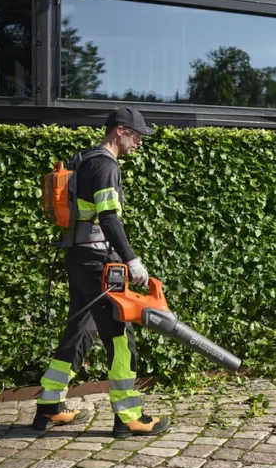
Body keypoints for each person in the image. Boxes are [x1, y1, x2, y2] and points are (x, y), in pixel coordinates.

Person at [32, 107, 171, 438]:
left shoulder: (85, 160)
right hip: (97, 262)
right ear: (120, 131)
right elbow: (108, 217)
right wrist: (132, 260)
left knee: (79, 331)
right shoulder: (106, 165)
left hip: (79, 257)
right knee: (120, 336)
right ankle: (129, 416)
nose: (139, 142)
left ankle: (49, 404)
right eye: (136, 136)